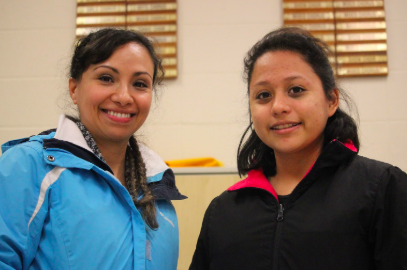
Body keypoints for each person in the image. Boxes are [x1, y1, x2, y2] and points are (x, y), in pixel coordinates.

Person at [189, 27, 407, 270]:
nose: (278, 106)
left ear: (331, 100)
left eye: (296, 90)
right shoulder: (223, 212)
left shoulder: (383, 188)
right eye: (263, 95)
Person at [0, 28, 186, 270]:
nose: (123, 97)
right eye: (106, 78)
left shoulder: (156, 184)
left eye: (139, 83)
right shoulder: (30, 166)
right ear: (74, 88)